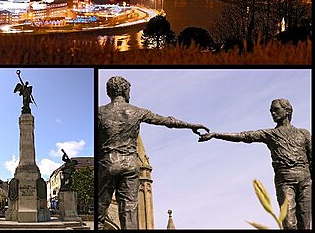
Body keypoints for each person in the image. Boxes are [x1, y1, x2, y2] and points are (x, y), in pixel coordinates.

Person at [98, 76, 209, 230]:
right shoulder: (137, 112)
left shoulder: (100, 112)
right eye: (129, 89)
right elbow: (168, 121)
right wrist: (191, 126)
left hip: (107, 162)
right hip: (130, 165)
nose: (130, 93)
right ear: (124, 90)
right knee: (129, 212)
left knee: (99, 210)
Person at [199, 98, 311, 230]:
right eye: (271, 111)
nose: (273, 113)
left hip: (305, 180)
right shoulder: (270, 134)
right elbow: (244, 136)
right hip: (285, 180)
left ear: (287, 111)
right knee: (289, 223)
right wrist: (216, 134)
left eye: (276, 110)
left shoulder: (303, 133)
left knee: (305, 223)